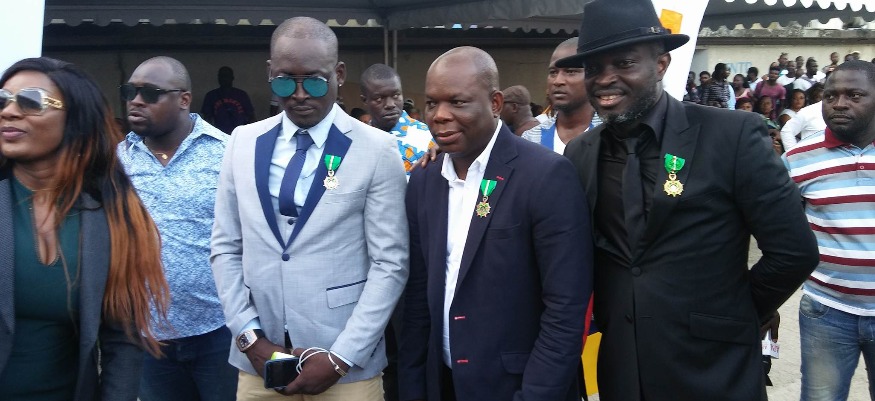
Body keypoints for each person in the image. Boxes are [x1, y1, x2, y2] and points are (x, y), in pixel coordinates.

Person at [557, 0, 820, 399]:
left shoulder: (732, 136)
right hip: (624, 370)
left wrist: (734, 314)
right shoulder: (580, 153)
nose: (605, 79)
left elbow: (794, 252)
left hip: (715, 370)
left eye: (624, 63)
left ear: (661, 64)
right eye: (594, 68)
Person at [210, 17, 409, 400]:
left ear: (339, 74)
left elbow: (391, 263)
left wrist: (342, 357)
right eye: (285, 82)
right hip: (260, 361)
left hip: (346, 365)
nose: (300, 95)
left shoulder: (377, 150)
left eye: (315, 82)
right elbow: (225, 247)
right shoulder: (242, 142)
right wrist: (249, 337)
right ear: (270, 73)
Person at [399, 45, 592, 401]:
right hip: (442, 384)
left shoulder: (545, 175)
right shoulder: (425, 180)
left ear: (495, 103)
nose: (439, 115)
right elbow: (417, 298)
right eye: (431, 103)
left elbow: (565, 309)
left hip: (517, 387)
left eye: (457, 102)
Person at [0, 57, 170, 400]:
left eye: (31, 101)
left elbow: (123, 340)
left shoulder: (112, 216)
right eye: (3, 100)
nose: (9, 112)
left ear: (75, 118)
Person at [116, 56, 236, 401]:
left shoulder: (226, 152)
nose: (136, 101)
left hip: (220, 330)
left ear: (184, 99)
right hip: (147, 337)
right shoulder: (119, 160)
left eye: (150, 93)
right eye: (130, 92)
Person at [783, 60, 875, 401]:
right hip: (827, 311)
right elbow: (782, 234)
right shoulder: (798, 159)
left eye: (854, 95)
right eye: (830, 96)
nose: (839, 103)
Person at [522, 37, 601, 154]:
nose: (557, 81)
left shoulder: (611, 135)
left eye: (570, 71)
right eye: (553, 72)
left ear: (592, 75)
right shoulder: (531, 139)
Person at [359, 63, 435, 175]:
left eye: (395, 95)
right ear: (365, 100)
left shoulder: (427, 137)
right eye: (379, 98)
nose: (390, 104)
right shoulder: (356, 141)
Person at [200, 66, 256, 134]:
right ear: (218, 78)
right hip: (219, 134)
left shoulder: (241, 95)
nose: (224, 78)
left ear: (232, 78)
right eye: (221, 76)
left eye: (226, 76)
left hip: (240, 134)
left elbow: (251, 117)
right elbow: (207, 120)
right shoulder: (211, 95)